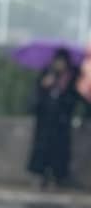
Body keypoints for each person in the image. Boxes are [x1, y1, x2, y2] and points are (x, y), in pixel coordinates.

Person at [29, 46, 78, 190]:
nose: (59, 64)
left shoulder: (71, 77)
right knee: (42, 148)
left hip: (61, 120)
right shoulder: (46, 73)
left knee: (59, 150)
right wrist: (45, 85)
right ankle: (41, 175)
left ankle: (59, 177)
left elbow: (74, 98)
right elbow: (36, 95)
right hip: (45, 120)